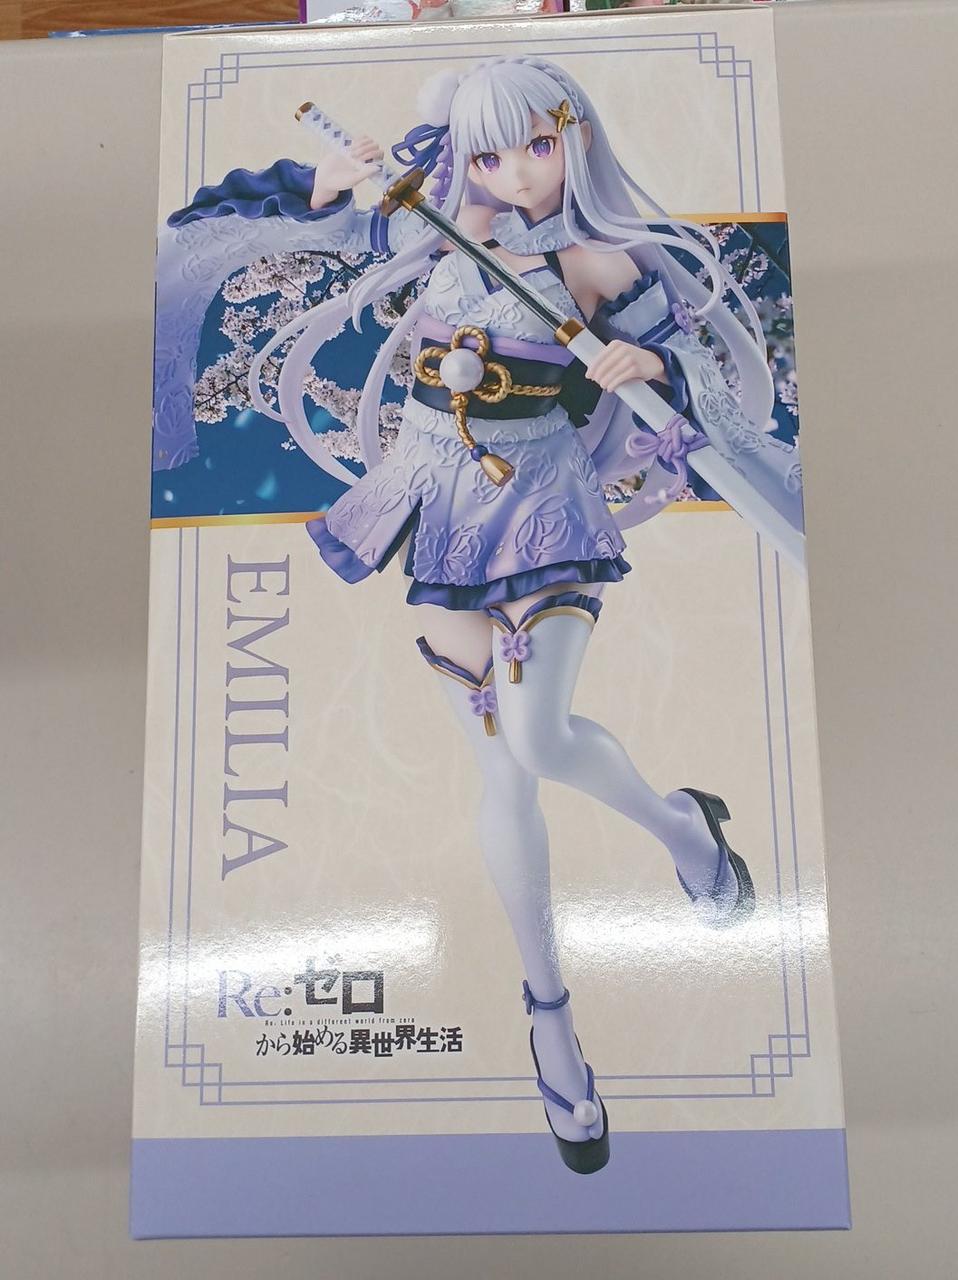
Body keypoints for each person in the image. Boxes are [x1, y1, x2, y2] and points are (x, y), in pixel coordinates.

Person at [165, 56, 800, 1174]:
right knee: (501, 771)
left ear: (573, 138)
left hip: (541, 506)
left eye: (535, 147)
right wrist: (329, 183)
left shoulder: (601, 259)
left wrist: (647, 361)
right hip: (434, 506)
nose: (513, 173)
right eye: (489, 153)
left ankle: (684, 832)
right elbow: (263, 216)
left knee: (540, 737)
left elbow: (699, 379)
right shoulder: (434, 223)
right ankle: (549, 1019)